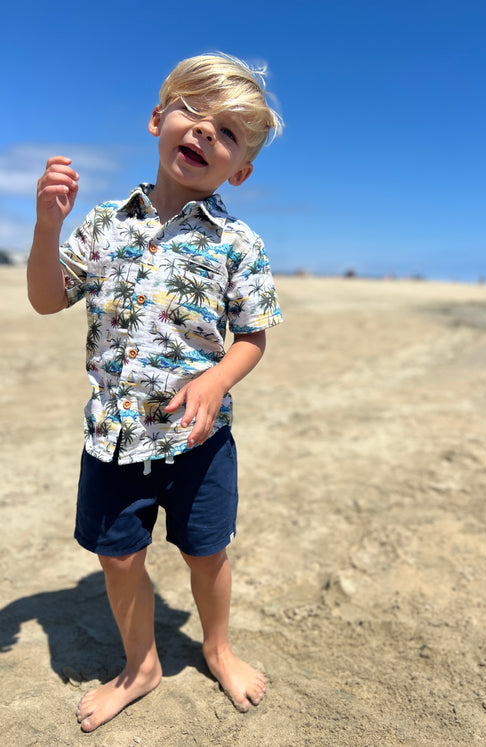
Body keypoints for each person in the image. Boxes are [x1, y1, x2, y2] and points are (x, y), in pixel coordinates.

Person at [27, 52, 283, 733]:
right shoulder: (107, 222)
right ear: (156, 119)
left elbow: (254, 337)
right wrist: (48, 226)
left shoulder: (240, 243)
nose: (204, 132)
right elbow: (49, 297)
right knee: (118, 556)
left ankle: (217, 647)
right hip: (113, 435)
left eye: (227, 132)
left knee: (206, 552)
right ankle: (140, 665)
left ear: (242, 169)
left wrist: (216, 376)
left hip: (201, 439)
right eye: (192, 112)